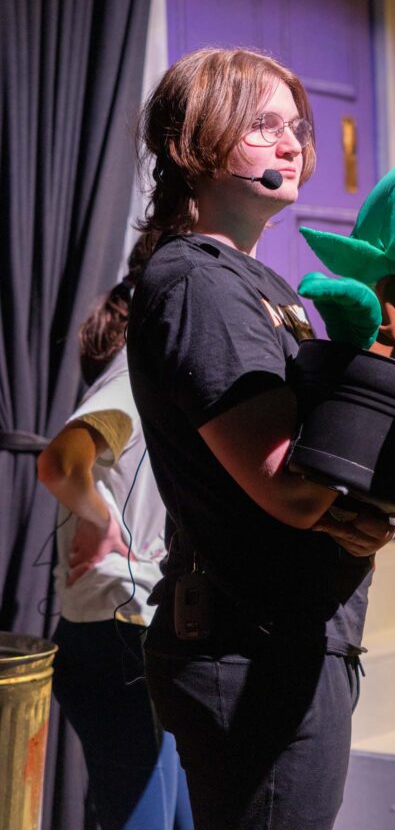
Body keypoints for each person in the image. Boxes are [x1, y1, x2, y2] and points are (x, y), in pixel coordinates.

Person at [126, 47, 395, 830]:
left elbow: (336, 463)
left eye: (296, 127)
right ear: (194, 141)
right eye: (263, 126)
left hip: (287, 640)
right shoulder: (197, 281)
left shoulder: (266, 288)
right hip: (246, 647)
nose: (293, 145)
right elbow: (292, 488)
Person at [37, 236, 193, 830]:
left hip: (136, 634)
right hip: (116, 639)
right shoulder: (132, 379)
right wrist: (101, 522)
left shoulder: (151, 382)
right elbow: (57, 463)